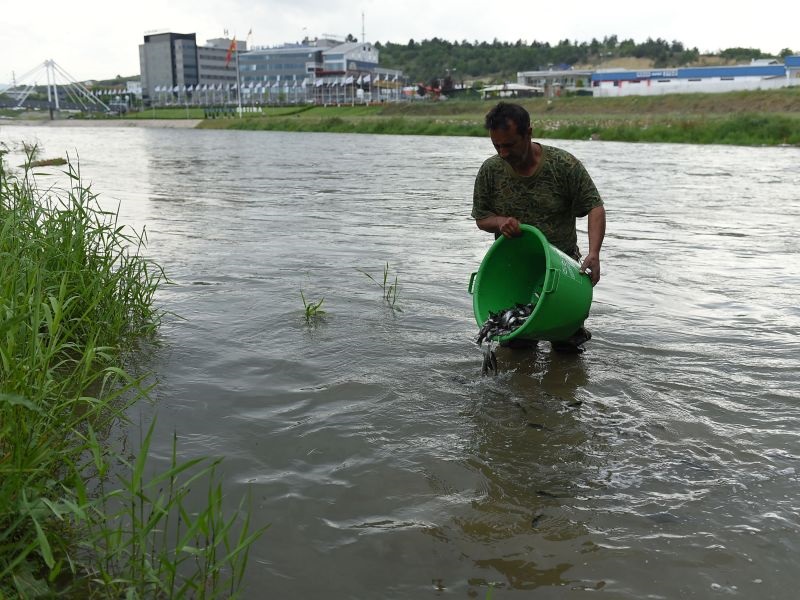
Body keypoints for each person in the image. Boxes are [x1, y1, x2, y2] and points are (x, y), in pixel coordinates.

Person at [472, 101, 606, 353]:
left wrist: (594, 253)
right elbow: (481, 218)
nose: (502, 153)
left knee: (566, 351)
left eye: (509, 145)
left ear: (528, 133)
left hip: (563, 273)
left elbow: (594, 207)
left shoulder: (563, 166)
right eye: (496, 145)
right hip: (515, 275)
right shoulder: (490, 171)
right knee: (517, 352)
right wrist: (500, 222)